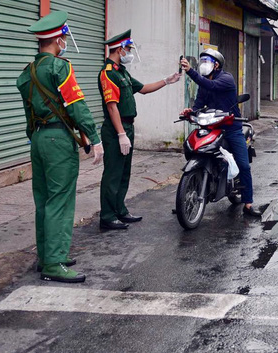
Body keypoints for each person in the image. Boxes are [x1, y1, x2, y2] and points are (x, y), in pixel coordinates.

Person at [16, 11, 104, 284]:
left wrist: (35, 136)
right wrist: (93, 136)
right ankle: (54, 264)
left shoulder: (27, 73)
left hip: (39, 139)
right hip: (58, 140)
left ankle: (48, 255)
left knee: (43, 200)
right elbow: (76, 104)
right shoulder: (59, 67)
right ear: (56, 39)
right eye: (63, 37)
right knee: (60, 200)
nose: (65, 41)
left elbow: (29, 113)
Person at [98, 30, 181, 231]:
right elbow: (111, 106)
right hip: (115, 129)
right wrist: (120, 134)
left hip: (127, 127)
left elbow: (142, 88)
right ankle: (107, 216)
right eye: (128, 49)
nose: (130, 53)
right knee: (113, 173)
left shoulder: (122, 72)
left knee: (124, 172)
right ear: (119, 49)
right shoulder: (108, 73)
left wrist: (166, 81)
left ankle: (120, 210)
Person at [180, 49, 259, 216]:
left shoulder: (226, 79)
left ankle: (248, 203)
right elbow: (199, 103)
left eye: (206, 61)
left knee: (244, 165)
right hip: (212, 126)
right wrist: (191, 111)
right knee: (194, 149)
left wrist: (190, 72)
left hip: (231, 128)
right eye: (201, 62)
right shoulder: (203, 85)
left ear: (216, 65)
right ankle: (185, 197)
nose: (203, 65)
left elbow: (211, 86)